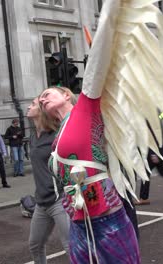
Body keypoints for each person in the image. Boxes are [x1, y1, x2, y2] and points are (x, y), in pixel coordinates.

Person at [39, 87, 140, 263]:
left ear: (66, 95)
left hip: (105, 213)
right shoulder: (59, 134)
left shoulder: (84, 112)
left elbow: (97, 69)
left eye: (46, 94)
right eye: (40, 100)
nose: (42, 100)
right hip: (78, 217)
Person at [27, 97, 70, 264]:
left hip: (60, 200)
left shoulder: (56, 135)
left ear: (42, 111)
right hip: (41, 202)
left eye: (32, 104)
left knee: (70, 246)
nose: (28, 106)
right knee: (35, 245)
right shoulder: (33, 136)